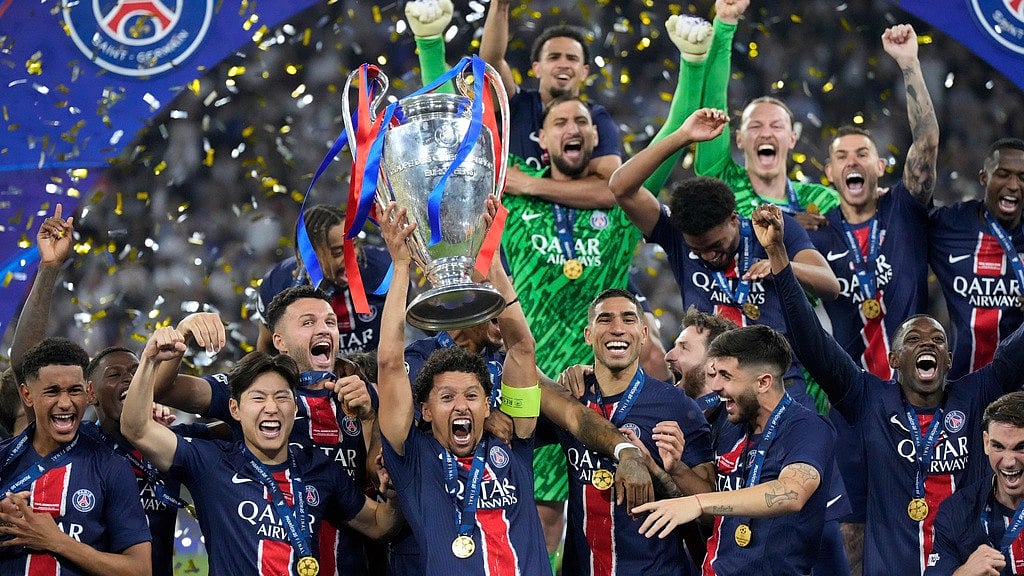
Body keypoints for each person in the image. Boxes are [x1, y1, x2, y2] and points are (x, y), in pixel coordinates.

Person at [758, 200, 1024, 576]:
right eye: (913, 339)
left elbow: (1016, 352)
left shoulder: (977, 395)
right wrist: (778, 256)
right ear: (895, 360)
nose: (927, 344)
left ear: (949, 359)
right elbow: (811, 340)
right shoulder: (868, 398)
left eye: (937, 340)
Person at [122, 332, 401, 576]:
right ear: (235, 409)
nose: (271, 407)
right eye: (258, 398)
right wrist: (149, 360)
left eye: (282, 397)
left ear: (294, 409)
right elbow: (136, 428)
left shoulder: (318, 468)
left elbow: (379, 523)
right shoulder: (210, 462)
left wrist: (394, 490)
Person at [608, 109, 840, 403]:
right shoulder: (675, 236)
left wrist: (779, 263)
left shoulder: (771, 230)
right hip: (710, 392)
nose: (708, 255)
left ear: (733, 219)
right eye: (698, 249)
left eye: (716, 245)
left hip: (776, 387)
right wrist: (681, 138)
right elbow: (620, 187)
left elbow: (830, 286)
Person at [377, 199, 550, 575]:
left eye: (472, 396)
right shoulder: (413, 459)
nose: (461, 406)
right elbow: (390, 365)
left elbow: (522, 347)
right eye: (447, 397)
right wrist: (401, 265)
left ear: (489, 405)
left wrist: (493, 265)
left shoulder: (515, 440)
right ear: (424, 411)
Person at [633, 324, 836, 575]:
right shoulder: (731, 426)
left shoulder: (807, 427)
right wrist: (678, 470)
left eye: (726, 376)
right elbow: (716, 511)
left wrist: (698, 502)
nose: (716, 386)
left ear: (763, 382)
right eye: (715, 374)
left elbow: (792, 493)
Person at [550, 288, 714, 576]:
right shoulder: (570, 399)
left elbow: (711, 508)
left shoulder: (677, 406)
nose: (617, 329)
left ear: (643, 333)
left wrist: (671, 471)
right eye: (605, 320)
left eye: (628, 319)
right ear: (588, 335)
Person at [0, 338, 151, 575]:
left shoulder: (111, 467)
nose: (65, 403)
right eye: (52, 391)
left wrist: (57, 541)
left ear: (88, 392)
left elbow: (140, 570)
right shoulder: (4, 461)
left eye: (74, 391)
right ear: (27, 395)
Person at [690, 0, 839, 230]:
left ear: (792, 138)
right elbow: (713, 102)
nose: (766, 133)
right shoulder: (722, 182)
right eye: (756, 126)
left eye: (777, 126)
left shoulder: (821, 201)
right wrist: (725, 24)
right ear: (739, 139)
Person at [480, 0, 621, 204]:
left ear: (584, 72)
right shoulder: (515, 105)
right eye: (554, 57)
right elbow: (491, 63)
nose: (563, 64)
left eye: (572, 58)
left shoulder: (594, 118)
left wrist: (529, 184)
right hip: (514, 230)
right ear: (536, 68)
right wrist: (500, 6)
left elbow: (610, 191)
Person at [929, 137, 1024, 380]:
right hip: (960, 388)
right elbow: (903, 218)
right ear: (984, 177)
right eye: (1003, 174)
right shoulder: (949, 225)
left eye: (1022, 177)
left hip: (1017, 394)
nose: (1013, 185)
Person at [254, 203, 392, 357]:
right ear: (311, 255)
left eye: (353, 245)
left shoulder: (384, 269)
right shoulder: (278, 284)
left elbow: (417, 323)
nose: (351, 258)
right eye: (338, 251)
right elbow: (267, 352)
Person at [927, 391, 1024, 575]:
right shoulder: (957, 512)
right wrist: (965, 572)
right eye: (998, 446)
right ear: (986, 443)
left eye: (1021, 447)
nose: (1009, 461)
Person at [664, 306, 738, 403]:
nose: (668, 356)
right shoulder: (665, 412)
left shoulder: (738, 416)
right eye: (675, 346)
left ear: (713, 365)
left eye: (684, 348)